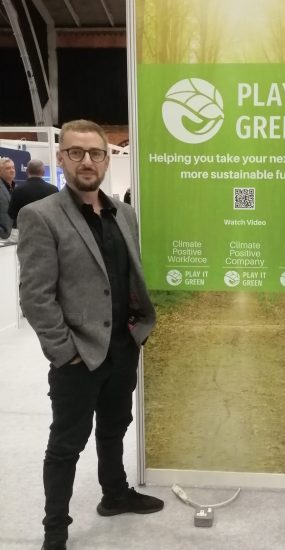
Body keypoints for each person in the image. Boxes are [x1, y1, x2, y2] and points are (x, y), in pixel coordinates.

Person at [17, 119, 162, 550]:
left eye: (96, 153)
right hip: (78, 355)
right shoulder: (40, 215)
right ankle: (55, 530)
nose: (87, 161)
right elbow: (35, 297)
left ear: (105, 158)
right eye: (76, 153)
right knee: (66, 444)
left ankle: (114, 495)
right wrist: (65, 353)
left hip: (122, 347)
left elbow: (128, 276)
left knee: (115, 428)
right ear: (61, 158)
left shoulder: (124, 212)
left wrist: (137, 331)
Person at [8, 158, 58, 226]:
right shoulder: (53, 190)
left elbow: (11, 214)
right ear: (43, 172)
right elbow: (57, 213)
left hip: (25, 230)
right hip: (47, 230)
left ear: (27, 171)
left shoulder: (18, 190)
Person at [0, 156, 16, 239]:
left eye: (13, 167)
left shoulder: (16, 187)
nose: (12, 170)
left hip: (18, 234)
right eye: (8, 168)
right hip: (3, 237)